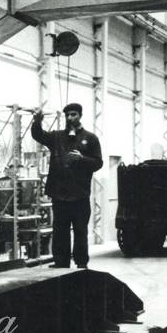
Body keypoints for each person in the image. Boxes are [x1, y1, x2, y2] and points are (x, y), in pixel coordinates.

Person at [31, 102, 103, 269]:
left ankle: (81, 263)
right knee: (60, 230)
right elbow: (38, 135)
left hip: (80, 195)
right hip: (60, 194)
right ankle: (61, 262)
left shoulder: (90, 138)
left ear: (80, 116)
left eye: (73, 114)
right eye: (67, 115)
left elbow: (98, 163)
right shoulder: (57, 137)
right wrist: (37, 121)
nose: (70, 118)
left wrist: (82, 159)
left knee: (80, 231)